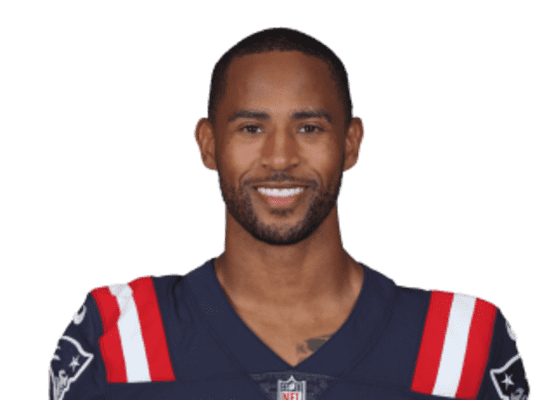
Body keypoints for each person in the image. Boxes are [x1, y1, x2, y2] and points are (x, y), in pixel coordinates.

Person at [48, 27, 531, 400]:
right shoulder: (116, 333)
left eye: (310, 128)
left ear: (351, 143)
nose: (280, 158)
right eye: (251, 128)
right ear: (208, 144)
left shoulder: (462, 343)